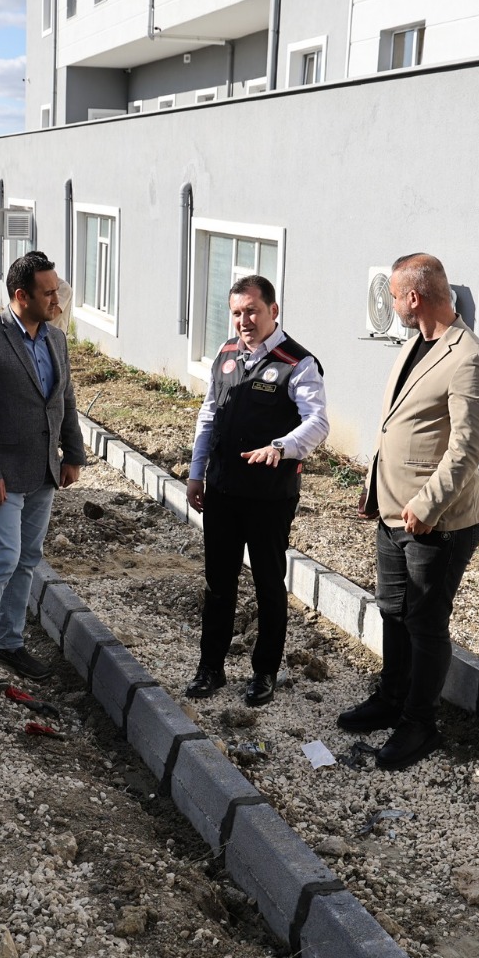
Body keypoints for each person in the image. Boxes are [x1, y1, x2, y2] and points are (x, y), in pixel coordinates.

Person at [337, 253, 479, 769]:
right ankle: (392, 698)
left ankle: (419, 723)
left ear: (414, 297)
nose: (390, 307)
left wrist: (427, 505)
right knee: (392, 609)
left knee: (426, 622)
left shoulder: (469, 357)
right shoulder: (414, 345)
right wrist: (373, 491)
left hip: (438, 519)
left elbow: (469, 448)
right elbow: (394, 430)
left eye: (394, 297)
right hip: (392, 511)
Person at [183, 275, 329, 706]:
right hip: (223, 492)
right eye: (237, 313)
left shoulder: (298, 363)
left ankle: (264, 673)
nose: (244, 321)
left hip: (269, 497)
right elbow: (209, 415)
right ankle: (211, 668)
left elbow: (318, 423)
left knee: (268, 585)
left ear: (273, 311)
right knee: (218, 584)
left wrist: (281, 447)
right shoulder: (227, 355)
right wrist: (196, 473)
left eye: (252, 311)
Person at [0, 252, 86, 691]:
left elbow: (63, 400)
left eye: (57, 291)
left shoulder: (55, 339)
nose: (57, 300)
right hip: (2, 475)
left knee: (28, 559)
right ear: (20, 296)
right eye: (48, 294)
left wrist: (73, 454)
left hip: (44, 471)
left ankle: (9, 642)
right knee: (0, 560)